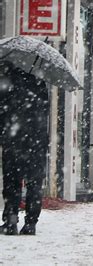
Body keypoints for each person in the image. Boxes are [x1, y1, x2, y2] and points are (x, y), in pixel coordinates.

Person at [0, 61, 49, 235]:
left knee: (12, 183)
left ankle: (11, 222)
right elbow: (44, 114)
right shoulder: (40, 85)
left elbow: (2, 114)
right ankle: (30, 224)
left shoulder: (7, 84)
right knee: (34, 184)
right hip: (36, 143)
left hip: (13, 142)